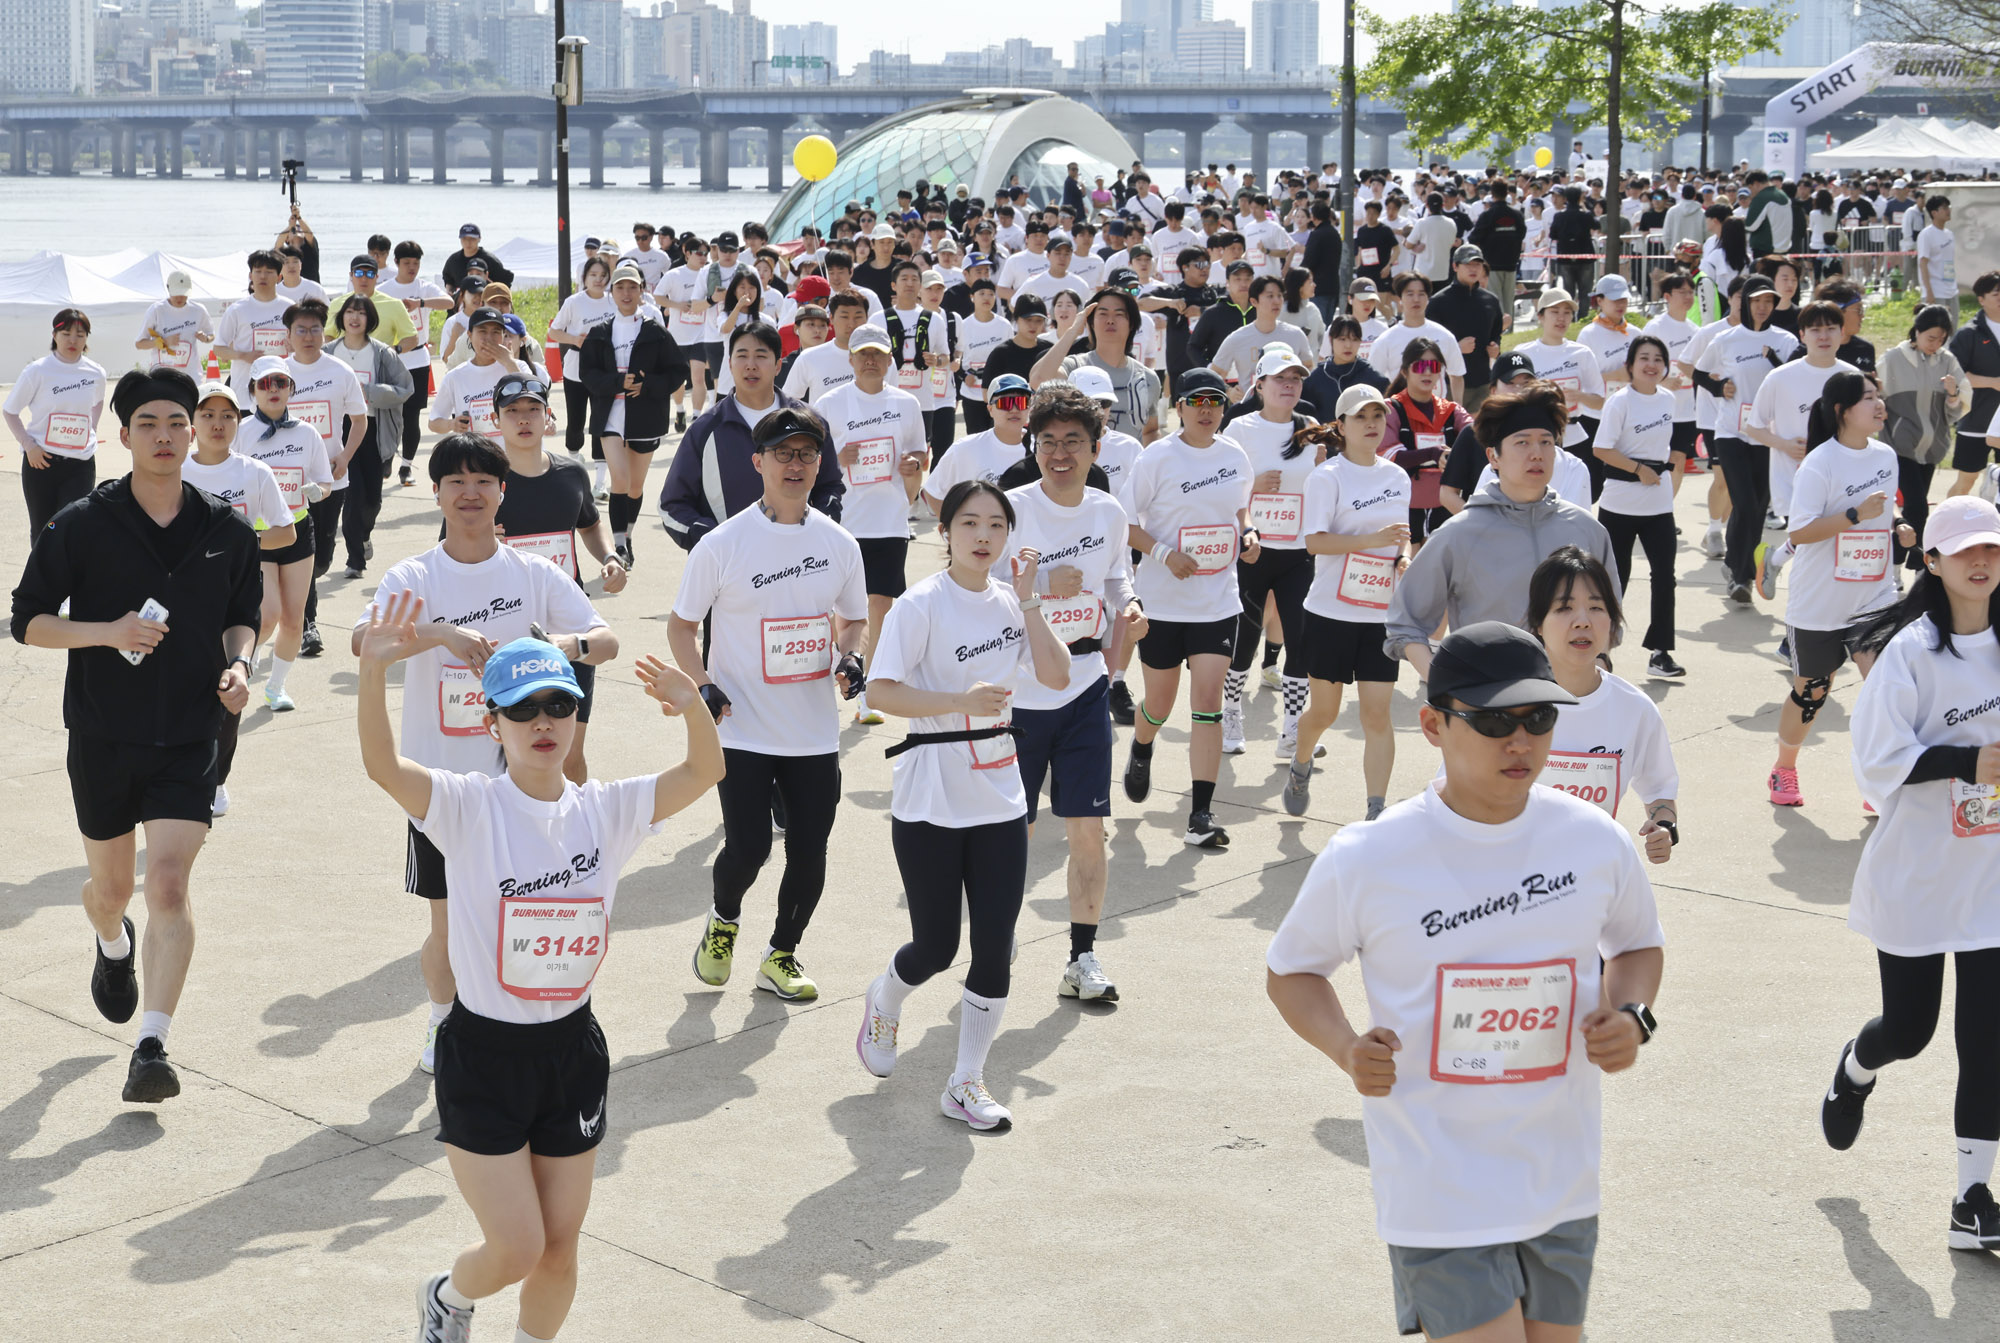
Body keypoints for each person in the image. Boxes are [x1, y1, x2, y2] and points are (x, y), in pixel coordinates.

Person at [1266, 620, 1664, 1343]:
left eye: (1538, 717)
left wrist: (1631, 1014)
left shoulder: (1593, 838)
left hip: (1561, 1178)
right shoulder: (1370, 855)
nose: (1521, 741)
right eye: (1492, 720)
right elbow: (1292, 970)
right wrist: (1346, 1046)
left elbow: (1637, 942)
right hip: (1438, 1185)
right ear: (1433, 724)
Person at [357, 612, 721, 1343]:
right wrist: (372, 673)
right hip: (483, 1056)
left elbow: (705, 771)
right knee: (516, 1246)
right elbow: (383, 767)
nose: (543, 720)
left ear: (577, 714)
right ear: (493, 723)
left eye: (558, 703)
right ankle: (449, 1295)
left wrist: (694, 706)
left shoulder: (606, 810)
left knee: (558, 1249)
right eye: (522, 709)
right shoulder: (466, 806)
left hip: (570, 1053)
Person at [9, 367, 261, 1103]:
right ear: (124, 436)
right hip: (104, 733)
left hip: (192, 731)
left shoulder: (227, 527)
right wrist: (107, 631)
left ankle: (151, 1044)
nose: (163, 434)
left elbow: (242, 614)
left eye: (176, 422)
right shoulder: (82, 522)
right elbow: (27, 619)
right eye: (147, 422)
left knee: (171, 884)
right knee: (112, 889)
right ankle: (111, 943)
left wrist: (240, 664)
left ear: (195, 432)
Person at [348, 432, 618, 1075]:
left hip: (526, 788)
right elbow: (364, 638)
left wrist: (554, 647)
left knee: (528, 909)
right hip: (440, 788)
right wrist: (438, 632)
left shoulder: (531, 572)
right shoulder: (415, 576)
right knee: (448, 922)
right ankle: (446, 1027)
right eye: (455, 482)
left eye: (483, 482)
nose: (470, 494)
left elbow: (603, 639)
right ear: (436, 493)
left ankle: (538, 1013)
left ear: (503, 493)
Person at [853, 479, 1071, 1130]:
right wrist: (957, 702)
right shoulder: (921, 605)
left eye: (996, 525)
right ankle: (886, 995)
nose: (983, 536)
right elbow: (881, 691)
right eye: (970, 523)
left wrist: (1030, 604)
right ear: (944, 530)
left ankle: (966, 1082)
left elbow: (1059, 677)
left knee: (996, 946)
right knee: (937, 943)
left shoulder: (1011, 601)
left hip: (1001, 792)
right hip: (930, 795)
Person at [1822, 494, 2000, 1252]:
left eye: (1991, 547)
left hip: (1991, 874)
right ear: (1931, 561)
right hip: (1920, 874)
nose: (1982, 561)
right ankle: (1856, 1068)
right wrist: (1967, 759)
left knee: (1988, 1038)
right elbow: (1877, 762)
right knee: (1912, 1029)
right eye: (1964, 551)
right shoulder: (1912, 653)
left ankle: (1972, 1197)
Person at [668, 405, 867, 1003]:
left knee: (810, 850)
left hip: (811, 730)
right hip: (742, 727)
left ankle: (782, 953)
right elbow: (682, 627)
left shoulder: (839, 543)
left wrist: (849, 657)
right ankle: (724, 919)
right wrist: (703, 683)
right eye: (784, 453)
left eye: (807, 453)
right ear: (758, 462)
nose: (796, 464)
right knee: (749, 847)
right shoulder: (722, 543)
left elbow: (853, 618)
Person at [997, 384, 1143, 1001]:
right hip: (1021, 694)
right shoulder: (1009, 508)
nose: (1060, 454)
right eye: (1049, 442)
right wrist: (1037, 585)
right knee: (1015, 831)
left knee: (1088, 829)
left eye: (1073, 443)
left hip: (1085, 687)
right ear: (1034, 446)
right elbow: (971, 586)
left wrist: (1130, 607)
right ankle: (993, 951)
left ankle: (1081, 959)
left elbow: (1115, 577)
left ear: (1095, 448)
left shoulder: (1108, 512)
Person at [1385, 383, 1618, 676]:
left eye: (1546, 442)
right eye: (1522, 442)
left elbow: (1610, 612)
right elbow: (1405, 622)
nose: (1537, 453)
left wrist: (1598, 664)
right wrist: (1443, 684)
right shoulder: (1459, 534)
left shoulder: (1588, 530)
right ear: (1494, 457)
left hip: (1571, 702)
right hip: (1489, 704)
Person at [1120, 370, 1258, 848]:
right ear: (1179, 406)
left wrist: (1250, 532)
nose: (1207, 408)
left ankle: (1200, 814)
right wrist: (1164, 556)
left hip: (1217, 601)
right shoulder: (1156, 458)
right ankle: (1141, 748)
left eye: (1215, 401)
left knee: (1207, 703)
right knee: (1158, 703)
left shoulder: (1235, 455)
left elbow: (1241, 510)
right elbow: (1128, 525)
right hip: (1161, 601)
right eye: (1197, 400)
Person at [1767, 371, 1912, 808]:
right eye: (1868, 398)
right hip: (1820, 600)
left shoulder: (1885, 455)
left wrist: (1899, 525)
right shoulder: (1820, 462)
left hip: (1875, 593)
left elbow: (1885, 509)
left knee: (1885, 687)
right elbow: (1803, 531)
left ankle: (1877, 779)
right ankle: (1785, 768)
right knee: (1812, 693)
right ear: (1842, 411)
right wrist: (1853, 514)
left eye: (1878, 395)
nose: (1879, 404)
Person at [489, 371, 629, 783]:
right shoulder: (483, 484)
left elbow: (588, 523)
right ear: (497, 419)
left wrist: (609, 556)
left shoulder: (571, 474)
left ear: (548, 416)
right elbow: (452, 551)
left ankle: (574, 838)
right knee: (508, 757)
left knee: (568, 756)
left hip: (570, 628)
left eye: (533, 409)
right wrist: (480, 538)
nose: (524, 419)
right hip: (507, 631)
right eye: (512, 411)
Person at [1287, 387, 1408, 820]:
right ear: (1341, 425)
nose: (1373, 423)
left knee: (1377, 715)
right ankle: (1300, 764)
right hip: (1330, 615)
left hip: (1380, 615)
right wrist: (1370, 541)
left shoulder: (1397, 477)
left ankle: (1376, 810)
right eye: (1361, 417)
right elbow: (1315, 542)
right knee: (1325, 711)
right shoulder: (1327, 477)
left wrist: (1404, 561)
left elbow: (1401, 539)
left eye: (1379, 414)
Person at [181, 379, 293, 817]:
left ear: (239, 422)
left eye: (227, 415)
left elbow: (285, 530)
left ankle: (216, 780)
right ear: (192, 423)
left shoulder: (253, 472)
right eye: (207, 415)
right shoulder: (176, 470)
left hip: (234, 598)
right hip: (180, 601)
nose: (217, 424)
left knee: (230, 689)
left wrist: (240, 545)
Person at [1525, 547, 1679, 856]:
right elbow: (1453, 792)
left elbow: (1660, 792)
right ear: (1538, 624)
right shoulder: (1504, 708)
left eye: (1596, 608)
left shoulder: (1635, 710)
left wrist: (1664, 827)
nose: (1582, 621)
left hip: (1594, 879)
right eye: (1564, 608)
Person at [817, 324, 929, 726]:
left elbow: (919, 453)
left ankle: (867, 686)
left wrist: (914, 465)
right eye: (863, 353)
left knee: (880, 605)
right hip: (842, 520)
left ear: (888, 360)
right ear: (849, 358)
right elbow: (810, 456)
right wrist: (836, 458)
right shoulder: (830, 402)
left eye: (878, 354)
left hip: (889, 521)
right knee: (840, 609)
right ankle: (835, 672)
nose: (870, 360)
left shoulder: (906, 403)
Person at [231, 355, 331, 710]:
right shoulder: (240, 432)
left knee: (293, 616)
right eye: (264, 384)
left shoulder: (307, 433)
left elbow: (325, 479)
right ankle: (248, 654)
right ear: (253, 390)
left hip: (298, 531)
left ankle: (276, 686)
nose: (273, 390)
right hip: (257, 534)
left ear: (291, 388)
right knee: (269, 612)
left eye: (281, 383)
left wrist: (318, 490)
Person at [579, 262, 691, 570]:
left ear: (642, 292)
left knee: (635, 487)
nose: (626, 293)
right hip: (609, 415)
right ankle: (617, 545)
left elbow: (678, 371)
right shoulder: (600, 333)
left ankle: (628, 535)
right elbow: (587, 373)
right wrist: (618, 383)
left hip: (646, 417)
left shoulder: (655, 331)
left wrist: (648, 385)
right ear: (611, 293)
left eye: (632, 287)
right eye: (620, 287)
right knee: (620, 479)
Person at [1749, 300, 1863, 601]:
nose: (1823, 336)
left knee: (1828, 553)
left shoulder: (1854, 379)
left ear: (1842, 333)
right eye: (1815, 330)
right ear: (1802, 335)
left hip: (1842, 478)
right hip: (1793, 477)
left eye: (1830, 329)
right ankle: (1797, 632)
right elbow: (1752, 427)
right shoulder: (1780, 377)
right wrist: (1785, 445)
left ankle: (1775, 562)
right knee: (1813, 553)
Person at [1695, 275, 1798, 604]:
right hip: (1731, 433)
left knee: (1756, 507)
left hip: (1768, 436)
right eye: (1757, 301)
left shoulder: (1785, 339)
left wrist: (1771, 358)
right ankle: (1742, 579)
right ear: (1745, 302)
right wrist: (1718, 386)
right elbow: (1698, 373)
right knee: (1744, 502)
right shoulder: (1726, 339)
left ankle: (1734, 563)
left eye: (1769, 301)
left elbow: (1791, 378)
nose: (1764, 307)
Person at [1592, 335, 1689, 679]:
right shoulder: (1619, 402)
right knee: (1614, 580)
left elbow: (1672, 446)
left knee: (1665, 577)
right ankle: (1601, 650)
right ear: (1630, 365)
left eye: (1658, 359)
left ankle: (1661, 653)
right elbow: (1601, 448)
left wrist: (1663, 470)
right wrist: (1638, 469)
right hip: (1620, 501)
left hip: (1658, 504)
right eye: (1644, 358)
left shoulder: (1668, 399)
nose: (1652, 364)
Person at [281, 299, 369, 658]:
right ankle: (307, 625)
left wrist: (344, 457)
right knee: (304, 549)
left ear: (324, 332)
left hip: (330, 480)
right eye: (300, 330)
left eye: (315, 328)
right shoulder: (277, 375)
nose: (308, 336)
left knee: (322, 558)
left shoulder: (339, 371)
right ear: (287, 336)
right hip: (287, 482)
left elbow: (360, 420)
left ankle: (300, 593)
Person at [325, 294, 415, 581]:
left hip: (372, 431)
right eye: (349, 312)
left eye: (361, 313)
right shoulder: (328, 353)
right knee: (352, 495)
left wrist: (368, 391)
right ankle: (355, 560)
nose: (354, 318)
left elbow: (405, 388)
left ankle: (364, 536)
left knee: (372, 500)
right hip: (339, 432)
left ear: (369, 319)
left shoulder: (382, 353)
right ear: (341, 318)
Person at [5, 307, 107, 542]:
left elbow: (98, 402)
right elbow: (10, 411)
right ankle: (42, 578)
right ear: (54, 335)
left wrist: (92, 430)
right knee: (43, 529)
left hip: (80, 463)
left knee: (72, 525)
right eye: (66, 334)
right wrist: (29, 446)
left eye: (80, 335)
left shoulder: (96, 373)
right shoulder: (38, 371)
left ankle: (70, 578)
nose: (73, 340)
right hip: (41, 463)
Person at [1879, 305, 1968, 571]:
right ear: (1916, 331)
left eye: (1941, 339)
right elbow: (1875, 397)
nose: (1936, 344)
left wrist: (1953, 394)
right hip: (1899, 447)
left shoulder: (1947, 360)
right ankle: (1909, 567)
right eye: (1931, 338)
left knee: (1912, 510)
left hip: (1932, 450)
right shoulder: (1893, 358)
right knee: (1917, 508)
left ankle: (1907, 568)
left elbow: (1961, 406)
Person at [1035, 288, 1163, 441]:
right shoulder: (1074, 367)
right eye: (1102, 314)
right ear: (1091, 323)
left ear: (1132, 324)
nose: (1110, 320)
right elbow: (1038, 380)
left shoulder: (1148, 378)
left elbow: (1150, 431)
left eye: (1119, 314)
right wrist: (1074, 330)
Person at [1381, 338, 1470, 549]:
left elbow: (1477, 433)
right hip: (1403, 508)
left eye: (1434, 366)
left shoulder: (1451, 410)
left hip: (1446, 507)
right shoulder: (1390, 409)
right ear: (1405, 371)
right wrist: (1432, 453)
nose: (1427, 372)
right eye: (1420, 366)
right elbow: (1389, 459)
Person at [547, 255, 618, 464]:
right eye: (593, 275)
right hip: (575, 368)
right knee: (576, 421)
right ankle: (574, 461)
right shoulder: (574, 302)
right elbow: (554, 331)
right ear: (584, 277)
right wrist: (575, 340)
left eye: (603, 275)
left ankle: (600, 479)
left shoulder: (613, 302)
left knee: (601, 421)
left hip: (604, 370)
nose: (598, 279)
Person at [1427, 245, 1504, 412]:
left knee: (1479, 436)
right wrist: (1455, 349)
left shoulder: (1490, 300)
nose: (1473, 269)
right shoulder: (1438, 302)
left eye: (1478, 264)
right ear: (1455, 266)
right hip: (1448, 385)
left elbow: (1496, 334)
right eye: (1468, 264)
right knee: (1452, 436)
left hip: (1483, 384)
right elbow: (1426, 347)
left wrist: (1496, 348)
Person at [1948, 272, 2000, 497]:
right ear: (1981, 299)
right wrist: (1993, 383)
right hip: (1976, 420)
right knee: (1966, 481)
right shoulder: (1968, 333)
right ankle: (1946, 523)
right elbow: (1955, 374)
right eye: (1997, 294)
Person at [136, 271, 212, 374]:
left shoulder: (199, 310)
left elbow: (211, 334)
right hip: (162, 376)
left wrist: (206, 338)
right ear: (168, 289)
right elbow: (139, 344)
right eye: (176, 293)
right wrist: (164, 342)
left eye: (184, 293)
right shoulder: (156, 310)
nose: (180, 298)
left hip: (191, 376)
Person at [1915, 195, 1958, 317]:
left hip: (1951, 289)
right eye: (1944, 208)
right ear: (1934, 213)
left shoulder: (1949, 234)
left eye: (1948, 207)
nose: (1948, 210)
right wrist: (1928, 291)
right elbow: (1923, 263)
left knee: (1952, 330)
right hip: (1935, 290)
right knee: (1938, 330)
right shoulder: (1926, 234)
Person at [439, 222, 514, 291]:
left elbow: (506, 280)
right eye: (464, 239)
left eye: (472, 239)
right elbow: (448, 278)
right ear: (460, 239)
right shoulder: (453, 260)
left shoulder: (490, 260)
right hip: (461, 300)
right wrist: (450, 292)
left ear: (479, 239)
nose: (468, 242)